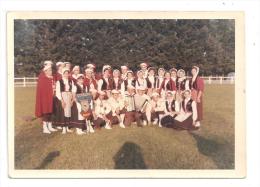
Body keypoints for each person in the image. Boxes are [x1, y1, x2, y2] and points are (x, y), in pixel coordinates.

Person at [35, 65, 57, 134]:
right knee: (45, 112)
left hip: (52, 97)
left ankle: (50, 126)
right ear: (45, 71)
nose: (51, 71)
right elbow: (42, 90)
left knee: (51, 112)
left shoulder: (52, 78)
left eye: (51, 70)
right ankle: (45, 127)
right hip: (45, 98)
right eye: (49, 70)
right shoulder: (43, 79)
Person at [52, 67, 75, 134]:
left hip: (69, 97)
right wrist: (62, 101)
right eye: (65, 73)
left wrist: (72, 100)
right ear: (63, 74)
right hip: (63, 97)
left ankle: (67, 127)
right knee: (63, 113)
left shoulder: (71, 81)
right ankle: (64, 128)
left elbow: (73, 90)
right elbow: (58, 92)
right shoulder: (59, 82)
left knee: (68, 112)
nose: (66, 75)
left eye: (67, 73)